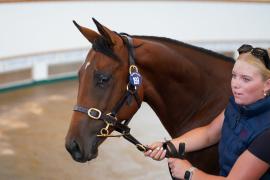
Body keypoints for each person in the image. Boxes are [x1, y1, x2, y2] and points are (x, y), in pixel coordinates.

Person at [144, 44, 270, 180]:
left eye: (245, 79)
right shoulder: (236, 105)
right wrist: (168, 146)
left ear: (267, 85)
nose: (235, 84)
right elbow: (209, 134)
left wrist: (189, 173)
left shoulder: (267, 134)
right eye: (234, 76)